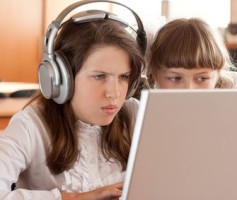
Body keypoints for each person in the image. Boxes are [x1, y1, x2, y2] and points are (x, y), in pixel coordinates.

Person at [0, 3, 145, 200]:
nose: (114, 93)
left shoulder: (136, 114)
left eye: (124, 77)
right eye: (99, 76)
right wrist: (74, 198)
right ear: (60, 78)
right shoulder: (30, 126)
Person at [147, 18, 237, 89]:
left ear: (218, 75)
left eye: (202, 78)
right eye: (175, 78)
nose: (189, 89)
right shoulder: (137, 110)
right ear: (155, 74)